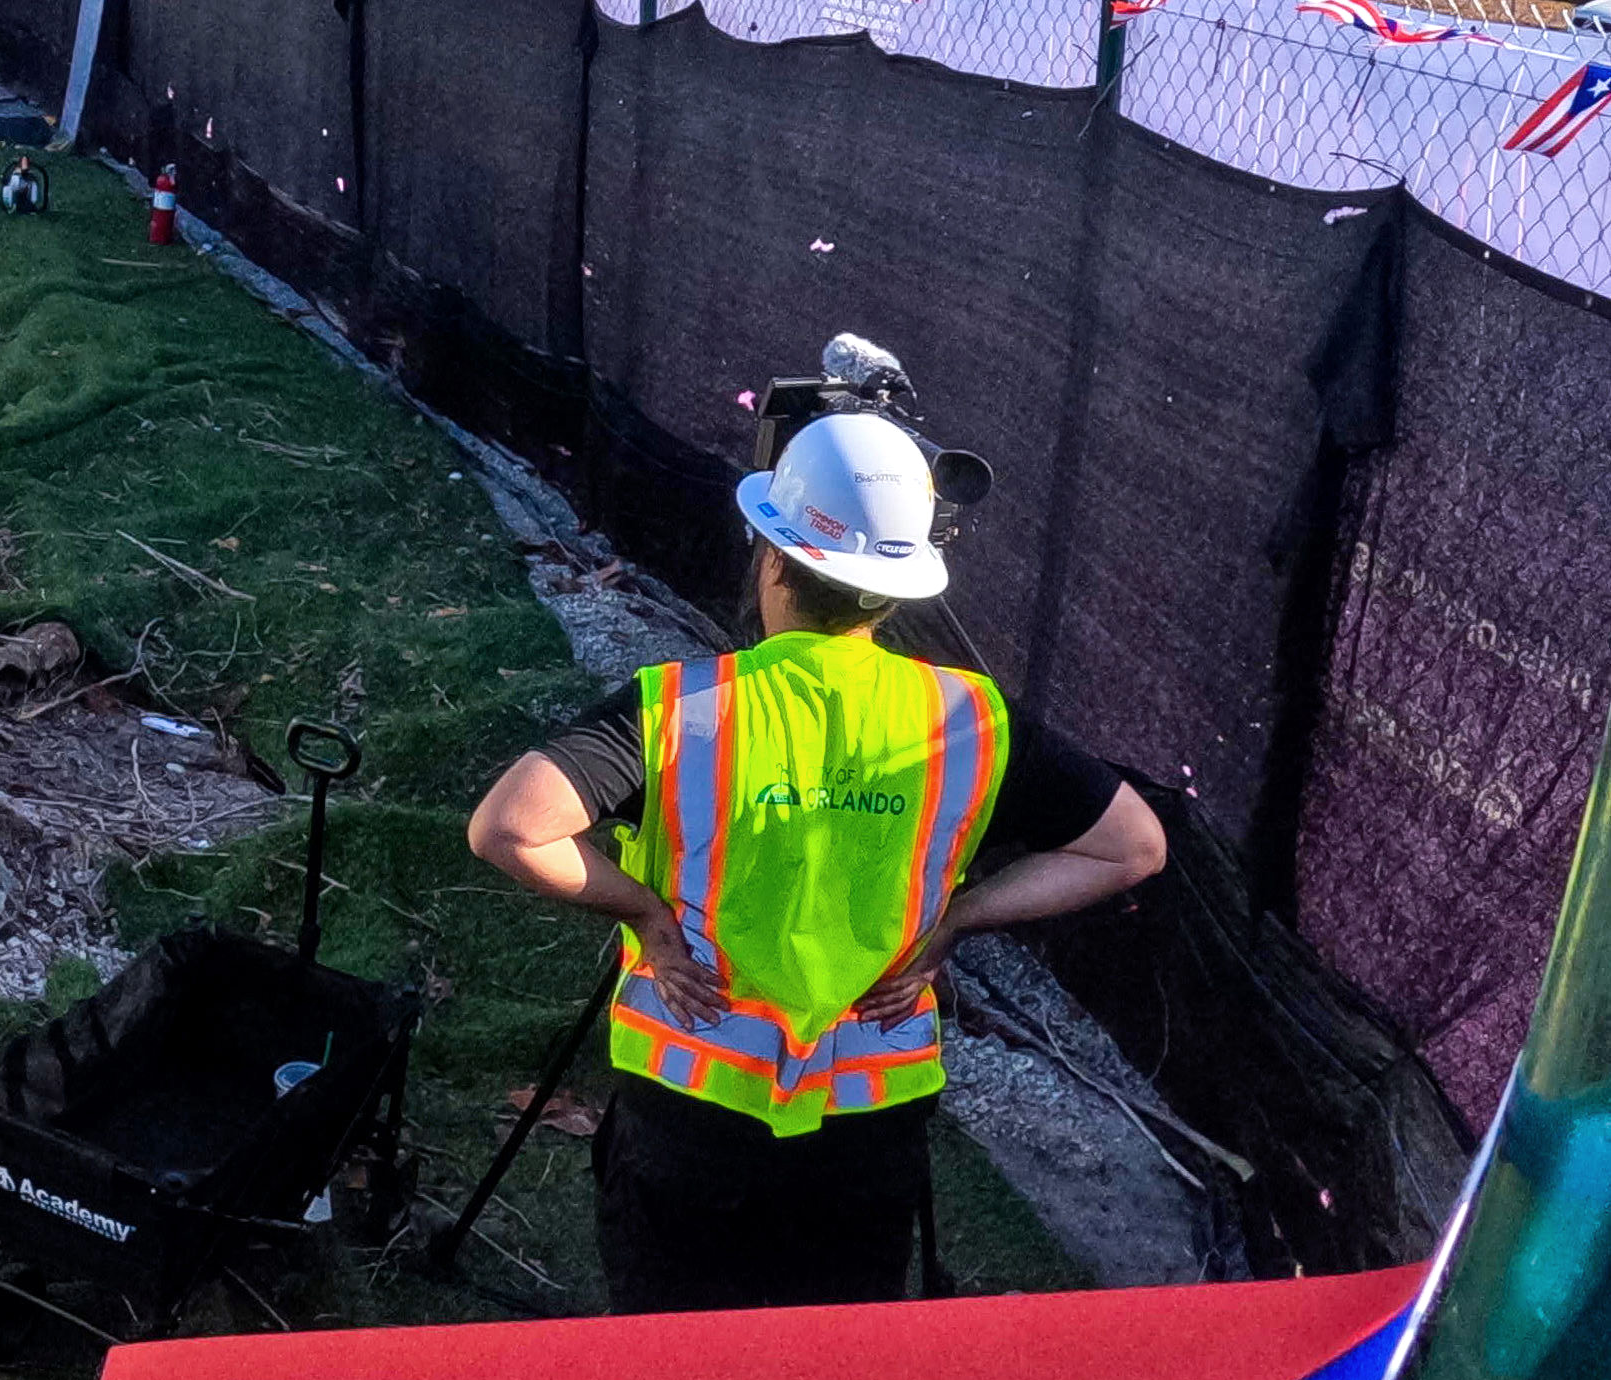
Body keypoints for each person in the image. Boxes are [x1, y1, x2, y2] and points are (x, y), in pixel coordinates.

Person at [465, 402, 1166, 1315]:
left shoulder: (682, 707)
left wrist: (643, 912)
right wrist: (958, 917)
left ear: (769, 556)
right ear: (892, 588)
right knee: (830, 1370)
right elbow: (1134, 848)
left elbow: (509, 828)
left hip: (690, 1115)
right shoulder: (971, 721)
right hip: (868, 1128)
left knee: (671, 1373)